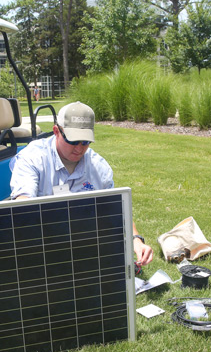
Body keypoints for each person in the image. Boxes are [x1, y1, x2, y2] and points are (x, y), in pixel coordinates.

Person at [10, 101, 154, 267]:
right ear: (56, 131)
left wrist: (136, 240)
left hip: (83, 243)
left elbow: (115, 210)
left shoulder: (99, 168)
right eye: (73, 141)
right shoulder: (32, 158)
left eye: (85, 142)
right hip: (41, 242)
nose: (79, 148)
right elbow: (22, 204)